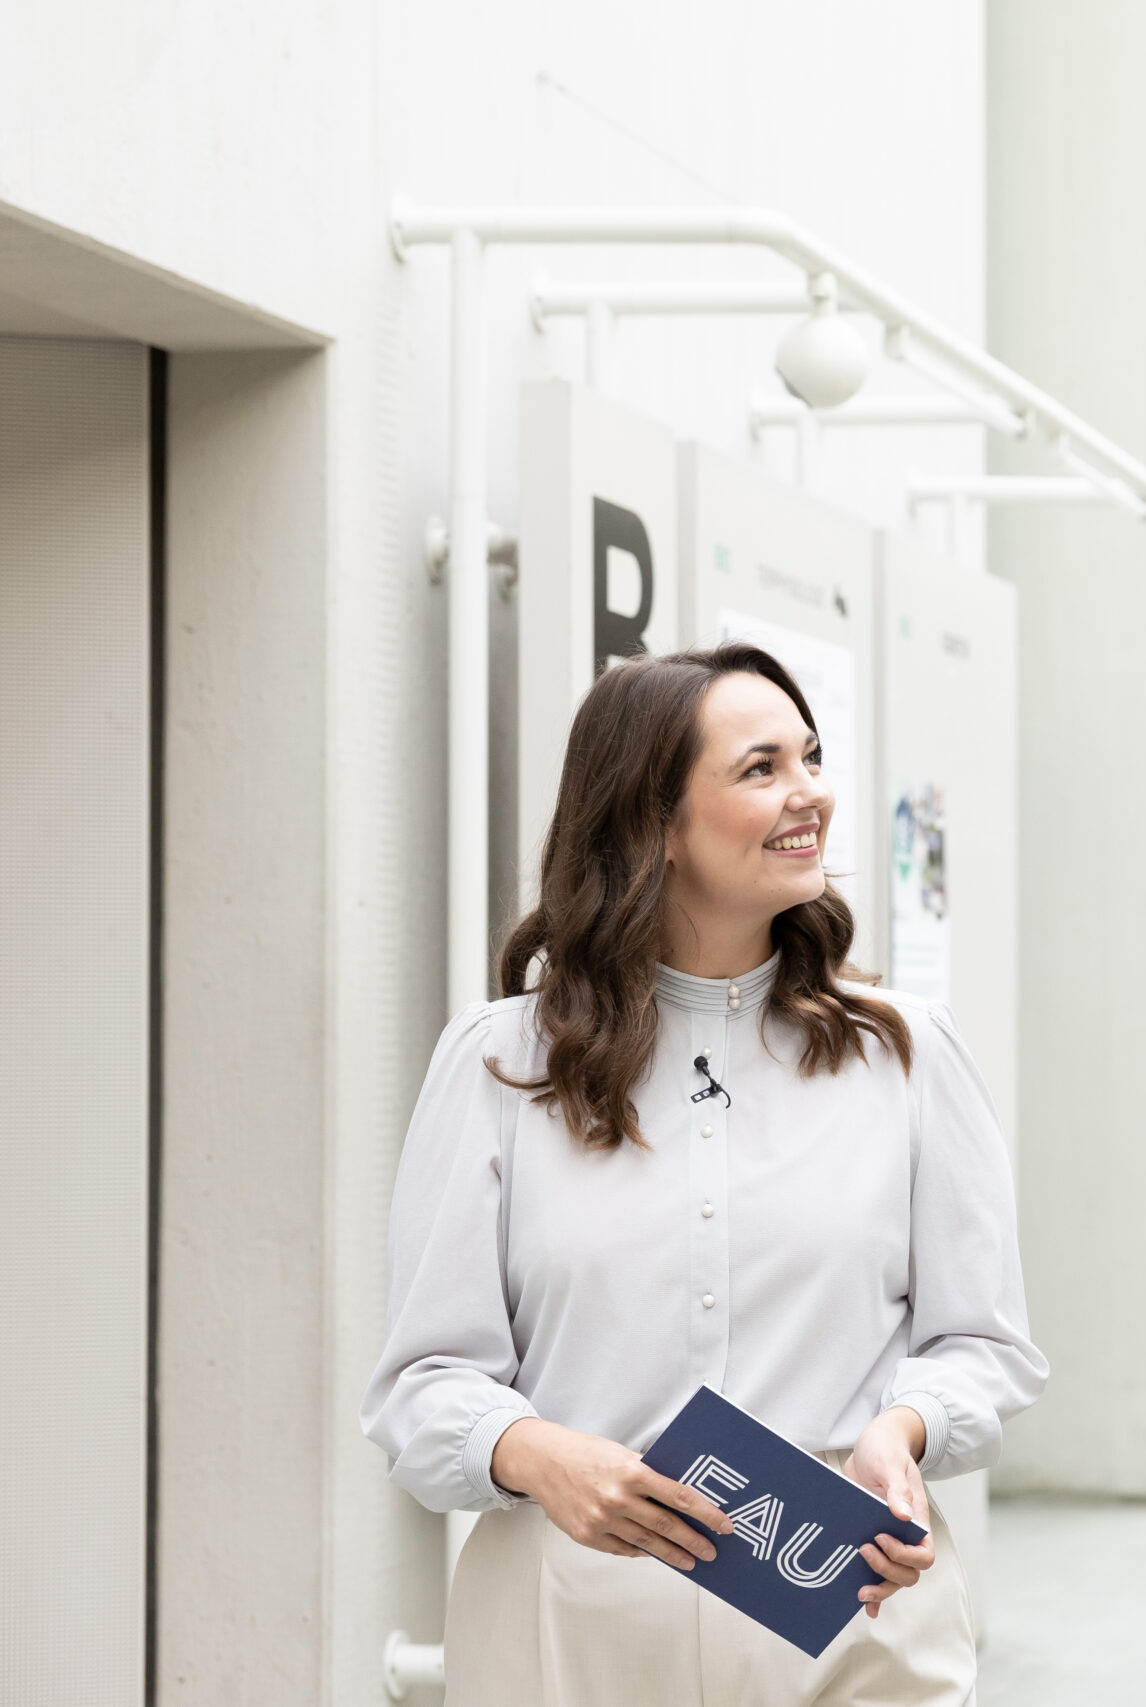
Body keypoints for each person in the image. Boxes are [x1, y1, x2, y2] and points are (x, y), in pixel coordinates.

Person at [362, 642, 1045, 1706]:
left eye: (811, 758)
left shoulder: (905, 1053)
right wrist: (534, 1453)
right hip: (569, 1630)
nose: (809, 791)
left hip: (848, 1616)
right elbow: (419, 1385)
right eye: (761, 768)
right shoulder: (501, 1065)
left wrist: (901, 1429)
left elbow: (984, 1346)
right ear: (654, 825)